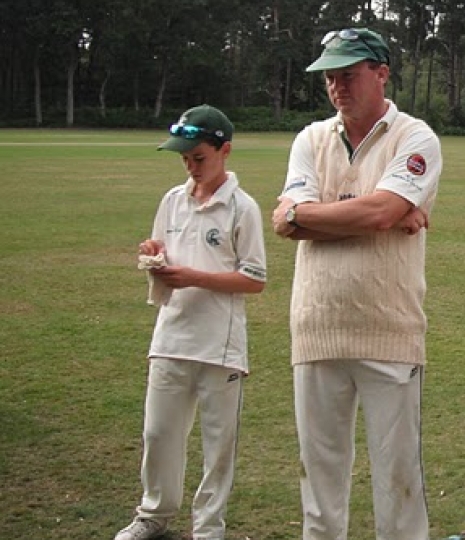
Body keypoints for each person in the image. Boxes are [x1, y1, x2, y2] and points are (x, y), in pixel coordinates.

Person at [271, 28, 441, 540]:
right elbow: (284, 223)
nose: (337, 85)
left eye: (349, 73)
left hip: (388, 330)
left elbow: (381, 210)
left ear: (381, 72)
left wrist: (315, 215)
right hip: (316, 327)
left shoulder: (415, 137)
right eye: (330, 76)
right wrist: (377, 213)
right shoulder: (310, 139)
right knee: (319, 479)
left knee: (398, 480)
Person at [115, 104, 267, 540]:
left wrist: (192, 277)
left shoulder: (242, 208)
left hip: (220, 344)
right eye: (184, 158)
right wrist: (154, 256)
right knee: (159, 433)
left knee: (218, 446)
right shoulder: (172, 200)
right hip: (171, 334)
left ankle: (208, 527)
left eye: (198, 157)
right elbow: (162, 251)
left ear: (225, 150)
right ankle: (154, 516)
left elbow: (254, 280)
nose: (190, 165)